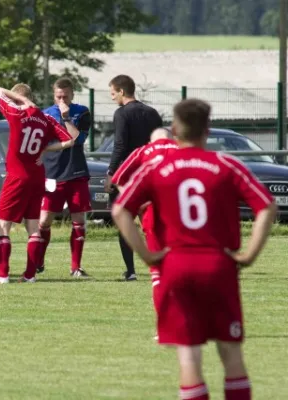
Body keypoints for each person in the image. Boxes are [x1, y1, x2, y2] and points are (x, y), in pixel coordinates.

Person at [112, 99, 277, 400]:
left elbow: (120, 209)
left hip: (176, 266)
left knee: (189, 355)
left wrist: (146, 255)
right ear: (207, 131)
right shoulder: (226, 165)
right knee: (230, 352)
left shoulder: (157, 168)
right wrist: (249, 254)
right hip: (219, 266)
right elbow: (266, 206)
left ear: (175, 130)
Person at [0, 84, 79, 284]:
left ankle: (2, 275)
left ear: (18, 98)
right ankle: (29, 275)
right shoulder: (45, 118)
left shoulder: (17, 112)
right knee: (33, 226)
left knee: (3, 225)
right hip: (37, 176)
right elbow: (70, 140)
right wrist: (44, 151)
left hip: (17, 176)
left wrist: (23, 102)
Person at [112, 127, 178, 310]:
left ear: (151, 141)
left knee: (158, 272)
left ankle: (164, 325)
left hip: (153, 215)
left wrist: (135, 200)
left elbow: (118, 179)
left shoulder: (142, 151)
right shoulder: (184, 150)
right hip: (184, 216)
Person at [105, 74, 163, 281]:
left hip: (128, 174)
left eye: (113, 93)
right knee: (151, 222)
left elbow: (119, 145)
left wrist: (111, 173)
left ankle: (130, 271)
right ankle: (161, 263)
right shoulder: (152, 113)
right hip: (150, 172)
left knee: (125, 220)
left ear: (121, 91)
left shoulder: (121, 114)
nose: (112, 98)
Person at [38, 77, 93, 279]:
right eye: (59, 96)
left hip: (76, 172)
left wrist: (67, 118)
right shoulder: (44, 115)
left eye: (66, 96)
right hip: (52, 174)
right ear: (54, 95)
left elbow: (78, 140)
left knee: (78, 219)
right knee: (44, 222)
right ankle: (38, 262)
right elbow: (41, 144)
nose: (62, 100)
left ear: (72, 95)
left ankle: (75, 267)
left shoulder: (82, 112)